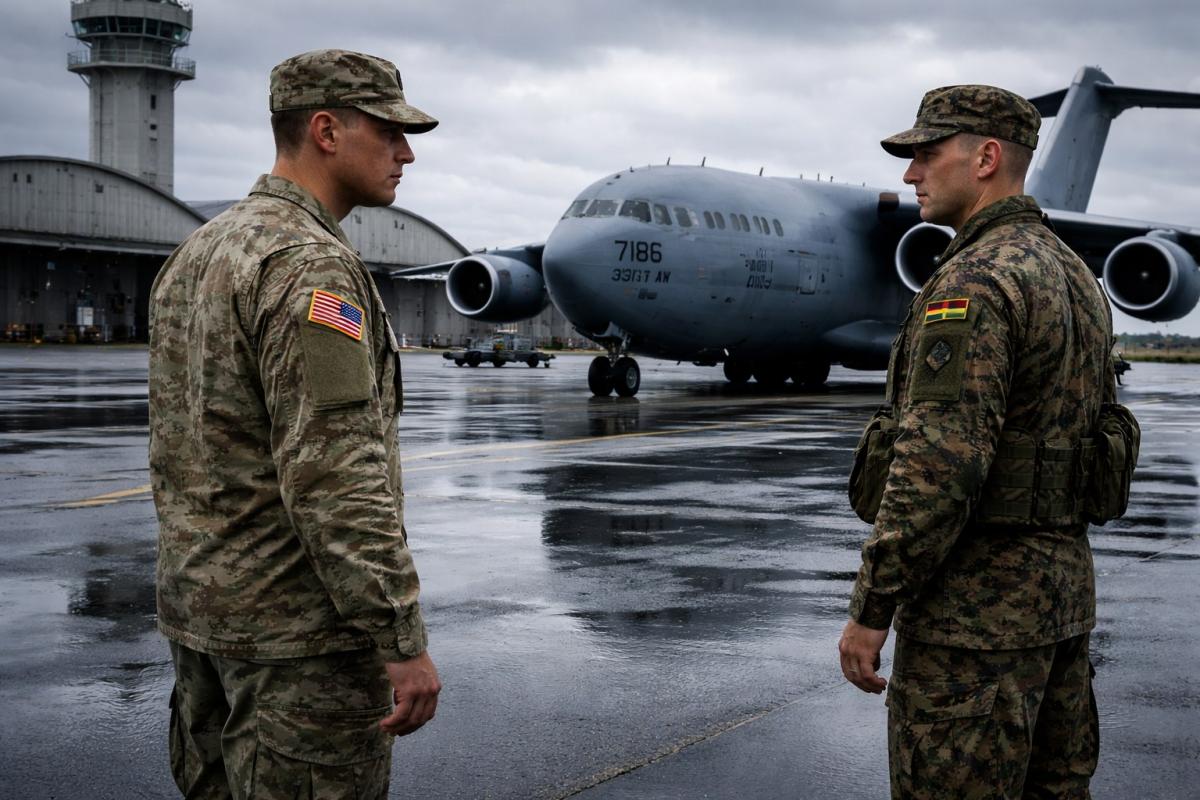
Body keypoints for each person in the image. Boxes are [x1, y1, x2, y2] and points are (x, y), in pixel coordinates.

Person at [148, 49, 441, 799]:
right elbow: (334, 475)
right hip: (298, 643)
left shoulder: (197, 252)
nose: (406, 152)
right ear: (326, 131)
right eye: (388, 131)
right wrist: (399, 636)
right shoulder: (310, 268)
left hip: (205, 626)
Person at [839, 84, 1116, 798]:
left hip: (975, 622)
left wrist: (873, 609)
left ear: (986, 158)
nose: (910, 175)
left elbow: (939, 468)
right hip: (1060, 606)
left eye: (927, 155)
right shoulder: (1074, 275)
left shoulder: (975, 282)